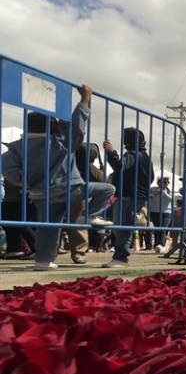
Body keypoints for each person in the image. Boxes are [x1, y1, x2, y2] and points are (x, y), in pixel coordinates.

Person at [2, 85, 115, 271]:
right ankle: (87, 216)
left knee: (48, 227)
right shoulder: (60, 141)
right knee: (108, 189)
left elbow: (5, 163)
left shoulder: (19, 146)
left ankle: (43, 261)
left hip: (40, 193)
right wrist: (85, 99)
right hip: (68, 189)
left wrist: (20, 180)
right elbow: (78, 127)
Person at [102, 128, 154, 268]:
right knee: (114, 220)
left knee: (123, 226)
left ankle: (121, 257)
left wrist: (111, 153)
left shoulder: (131, 154)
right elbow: (152, 177)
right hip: (136, 195)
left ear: (126, 142)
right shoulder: (146, 157)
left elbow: (120, 167)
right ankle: (121, 250)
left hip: (129, 195)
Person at [148, 176, 173, 252]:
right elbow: (148, 199)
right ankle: (157, 245)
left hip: (166, 212)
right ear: (158, 182)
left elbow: (171, 199)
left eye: (167, 182)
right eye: (164, 182)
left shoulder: (169, 190)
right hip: (154, 212)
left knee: (163, 229)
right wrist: (154, 194)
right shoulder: (152, 189)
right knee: (157, 229)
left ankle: (161, 245)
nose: (166, 184)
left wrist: (163, 192)